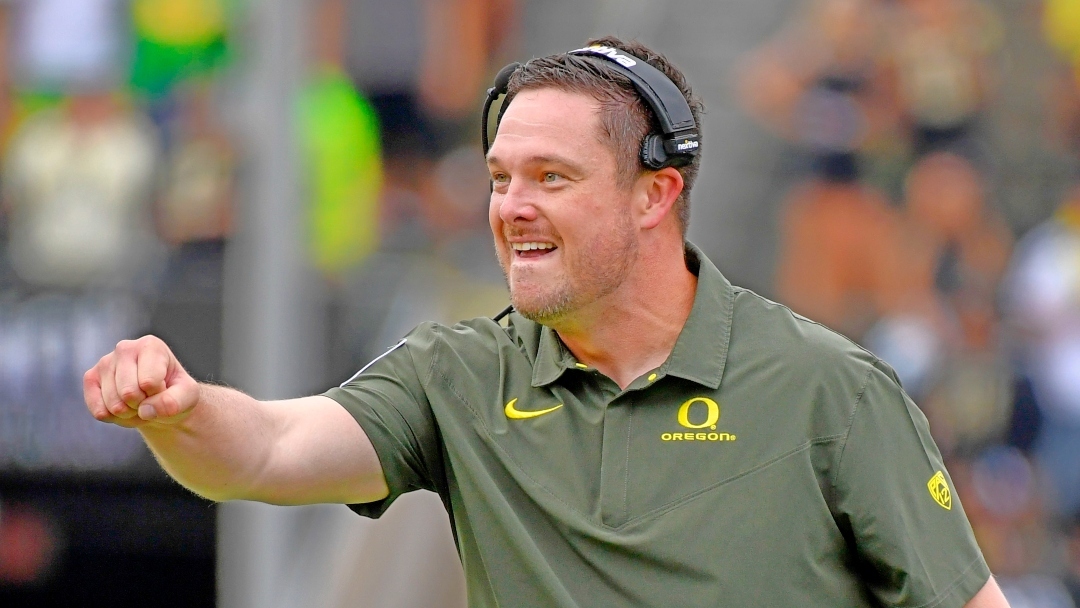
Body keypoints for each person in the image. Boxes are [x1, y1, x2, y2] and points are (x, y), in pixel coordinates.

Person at [83, 36, 1010, 607]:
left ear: (657, 194)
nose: (510, 206)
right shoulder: (458, 374)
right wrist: (185, 409)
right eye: (498, 177)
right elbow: (268, 451)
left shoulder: (829, 387)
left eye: (551, 178)